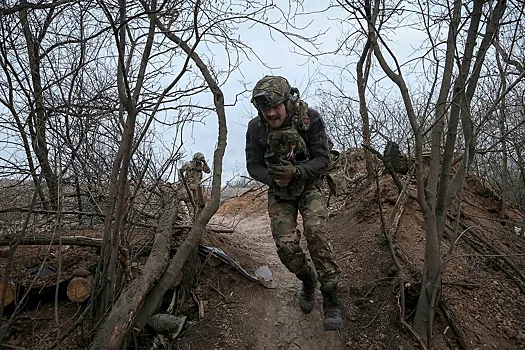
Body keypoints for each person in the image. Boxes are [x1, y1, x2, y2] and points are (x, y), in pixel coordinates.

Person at [244, 75, 342, 331]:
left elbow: (322, 159)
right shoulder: (256, 128)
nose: (271, 113)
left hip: (309, 184)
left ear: (287, 101)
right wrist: (274, 180)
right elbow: (253, 165)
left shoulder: (309, 119)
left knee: (316, 234)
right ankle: (307, 279)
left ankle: (331, 296)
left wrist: (296, 173)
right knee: (286, 247)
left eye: (275, 107)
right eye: (265, 109)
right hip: (280, 192)